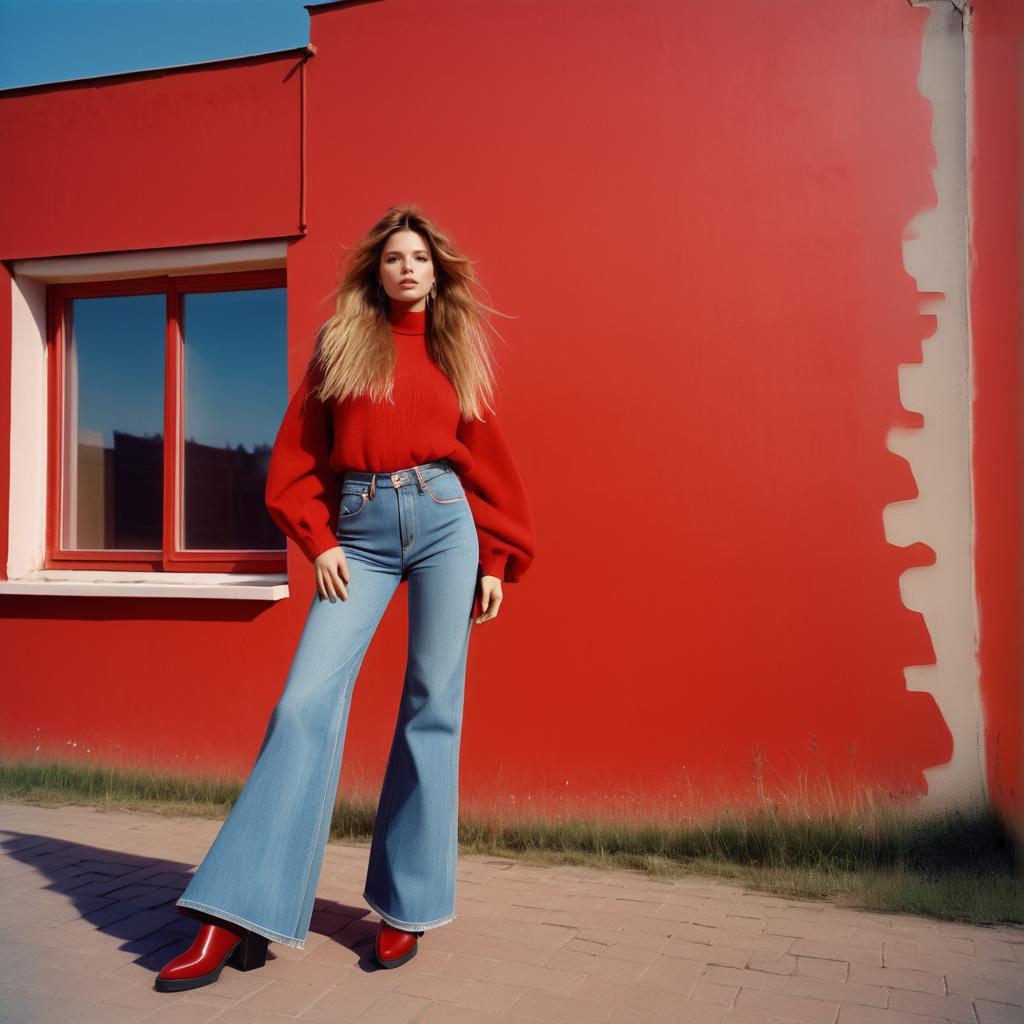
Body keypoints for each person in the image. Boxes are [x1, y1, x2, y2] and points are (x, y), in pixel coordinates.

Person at [154, 205, 536, 992]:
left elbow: (488, 461)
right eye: (394, 256)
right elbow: (297, 453)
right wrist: (320, 540)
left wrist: (495, 557)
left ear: (438, 273)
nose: (406, 267)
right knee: (302, 704)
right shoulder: (342, 344)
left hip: (443, 522)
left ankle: (408, 905)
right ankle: (236, 909)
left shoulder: (457, 350)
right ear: (377, 268)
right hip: (358, 531)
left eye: (419, 258)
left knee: (432, 705)